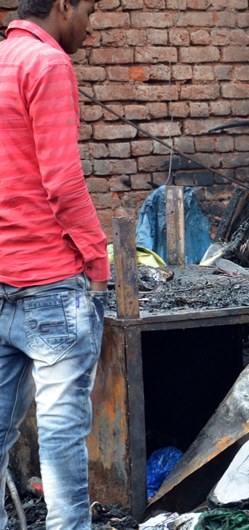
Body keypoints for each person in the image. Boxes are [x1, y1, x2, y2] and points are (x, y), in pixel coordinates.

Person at [0, 0, 110, 528]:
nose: (91, 23)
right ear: (64, 5)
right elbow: (63, 183)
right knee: (63, 440)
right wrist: (97, 258)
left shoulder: (3, 59)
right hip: (50, 287)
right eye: (89, 8)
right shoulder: (48, 64)